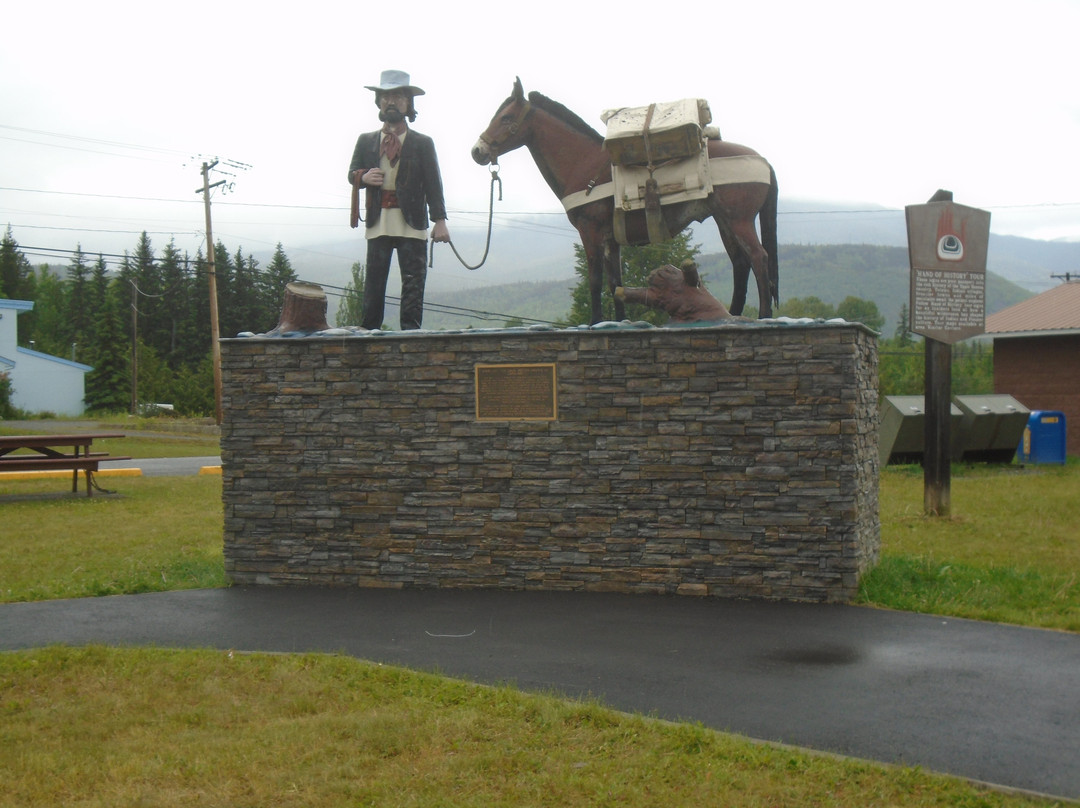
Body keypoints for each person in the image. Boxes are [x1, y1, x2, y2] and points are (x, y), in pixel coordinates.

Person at [348, 69, 450, 330]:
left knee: (413, 285)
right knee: (373, 285)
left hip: (412, 222)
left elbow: (433, 183)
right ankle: (369, 336)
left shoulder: (422, 143)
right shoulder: (366, 140)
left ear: (408, 103)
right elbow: (352, 173)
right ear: (378, 102)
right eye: (385, 97)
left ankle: (411, 337)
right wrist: (362, 177)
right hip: (378, 220)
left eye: (397, 96)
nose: (390, 102)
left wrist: (439, 221)